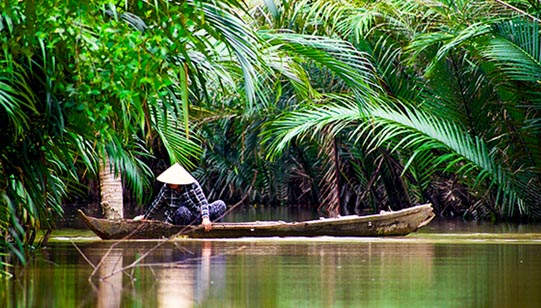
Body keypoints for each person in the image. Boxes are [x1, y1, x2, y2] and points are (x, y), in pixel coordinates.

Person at [133, 163, 227, 232]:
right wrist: (145, 217)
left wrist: (205, 218)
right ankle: (184, 232)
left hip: (197, 215)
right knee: (182, 211)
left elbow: (203, 202)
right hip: (180, 218)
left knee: (220, 204)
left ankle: (211, 227)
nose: (170, 182)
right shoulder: (166, 188)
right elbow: (156, 204)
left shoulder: (192, 185)